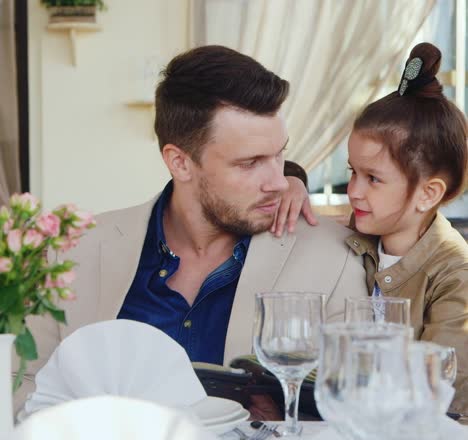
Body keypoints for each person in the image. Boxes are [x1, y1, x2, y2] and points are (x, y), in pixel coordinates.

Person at [14, 45, 367, 412]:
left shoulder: (334, 258)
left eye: (279, 155)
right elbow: (24, 386)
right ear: (180, 162)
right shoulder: (74, 252)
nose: (278, 181)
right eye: (250, 163)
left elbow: (352, 409)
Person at [345, 42, 468, 412]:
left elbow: (444, 387)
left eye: (373, 178)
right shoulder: (356, 237)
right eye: (352, 172)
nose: (353, 192)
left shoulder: (456, 274)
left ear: (428, 193)